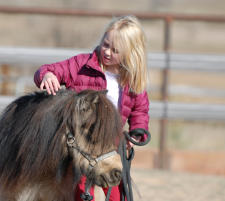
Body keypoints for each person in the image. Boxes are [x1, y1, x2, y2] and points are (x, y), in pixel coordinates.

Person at [34, 14, 149, 201]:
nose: (108, 52)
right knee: (80, 192)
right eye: (105, 44)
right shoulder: (80, 64)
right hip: (81, 144)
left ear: (131, 53)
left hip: (112, 145)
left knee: (118, 194)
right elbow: (47, 69)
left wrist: (137, 132)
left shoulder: (132, 80)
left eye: (115, 50)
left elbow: (140, 109)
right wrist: (47, 75)